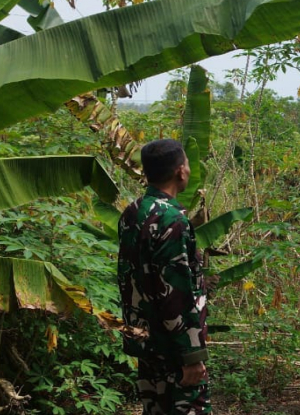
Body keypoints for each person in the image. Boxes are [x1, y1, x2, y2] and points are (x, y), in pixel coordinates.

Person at [118, 139, 211, 414]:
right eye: (188, 165)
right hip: (174, 348)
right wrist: (191, 355)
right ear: (180, 171)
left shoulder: (132, 213)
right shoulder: (173, 220)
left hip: (147, 342)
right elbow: (176, 293)